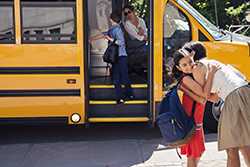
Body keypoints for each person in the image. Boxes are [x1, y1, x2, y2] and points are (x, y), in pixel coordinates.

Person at [180, 42, 250, 167]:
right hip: (245, 90)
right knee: (245, 142)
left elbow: (204, 96)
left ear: (193, 55)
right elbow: (216, 96)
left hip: (233, 96)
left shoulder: (197, 67)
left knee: (231, 147)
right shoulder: (215, 62)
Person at [172, 49, 218, 167]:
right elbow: (204, 96)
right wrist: (212, 73)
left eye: (190, 62)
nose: (189, 66)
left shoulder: (190, 77)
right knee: (193, 156)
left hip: (196, 123)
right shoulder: (186, 79)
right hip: (193, 124)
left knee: (195, 155)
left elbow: (208, 98)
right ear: (178, 67)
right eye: (184, 65)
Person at [89, 12, 134, 104]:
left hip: (121, 56)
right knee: (117, 77)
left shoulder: (117, 30)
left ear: (111, 19)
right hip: (117, 57)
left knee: (121, 77)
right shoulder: (113, 29)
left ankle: (127, 95)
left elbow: (121, 42)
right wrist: (92, 39)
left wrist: (110, 39)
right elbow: (103, 34)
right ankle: (122, 97)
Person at [122, 5, 148, 73]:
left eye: (129, 12)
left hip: (142, 43)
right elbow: (136, 36)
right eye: (125, 13)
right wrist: (142, 34)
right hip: (134, 45)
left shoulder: (141, 20)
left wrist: (142, 34)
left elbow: (145, 33)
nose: (128, 14)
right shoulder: (127, 24)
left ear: (133, 11)